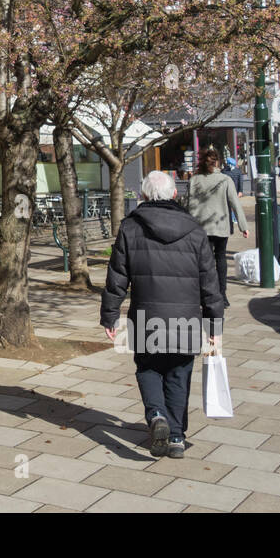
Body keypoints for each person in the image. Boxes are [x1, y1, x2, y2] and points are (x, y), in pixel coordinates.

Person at [101, 170, 222, 459]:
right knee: (179, 374)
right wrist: (215, 324)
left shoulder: (130, 228)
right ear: (175, 195)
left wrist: (110, 315)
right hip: (187, 319)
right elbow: (210, 281)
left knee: (148, 368)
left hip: (146, 316)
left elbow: (117, 275)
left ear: (143, 195)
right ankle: (177, 437)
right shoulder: (194, 230)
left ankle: (157, 415)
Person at [189, 149, 249, 308]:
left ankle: (206, 294)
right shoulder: (225, 179)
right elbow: (235, 203)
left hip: (201, 227)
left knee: (204, 262)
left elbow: (191, 206)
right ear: (217, 162)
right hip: (221, 227)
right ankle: (222, 295)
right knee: (221, 258)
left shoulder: (195, 180)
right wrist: (243, 226)